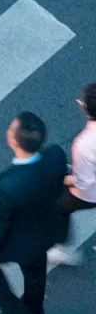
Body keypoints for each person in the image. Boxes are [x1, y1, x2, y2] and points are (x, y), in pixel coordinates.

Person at [0, 113, 68, 314]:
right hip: (46, 232)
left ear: (13, 141)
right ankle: (35, 312)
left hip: (18, 242)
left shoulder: (6, 186)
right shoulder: (55, 156)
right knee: (36, 272)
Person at [47, 83, 96, 266]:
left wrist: (62, 178)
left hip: (90, 193)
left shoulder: (84, 144)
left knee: (60, 208)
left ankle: (61, 250)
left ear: (85, 108)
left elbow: (83, 183)